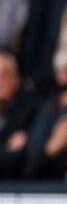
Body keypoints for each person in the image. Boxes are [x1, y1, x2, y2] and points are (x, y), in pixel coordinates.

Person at [0, 50, 38, 180]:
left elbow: (24, 159)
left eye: (4, 75)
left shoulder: (31, 110)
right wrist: (6, 150)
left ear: (16, 79)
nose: (0, 81)